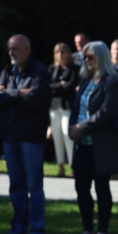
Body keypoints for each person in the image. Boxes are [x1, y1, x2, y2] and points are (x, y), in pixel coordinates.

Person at [68, 41, 118, 234]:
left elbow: (106, 112)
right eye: (85, 57)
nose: (87, 61)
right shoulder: (86, 80)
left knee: (101, 187)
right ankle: (87, 229)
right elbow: (76, 107)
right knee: (81, 187)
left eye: (91, 57)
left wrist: (81, 127)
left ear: (101, 58)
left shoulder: (111, 81)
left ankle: (102, 232)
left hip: (101, 145)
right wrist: (72, 126)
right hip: (82, 144)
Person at [0, 34, 50, 234]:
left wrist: (8, 93)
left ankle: (36, 229)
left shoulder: (40, 71)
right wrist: (18, 93)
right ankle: (17, 227)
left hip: (31, 137)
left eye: (15, 49)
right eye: (9, 49)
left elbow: (35, 98)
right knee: (16, 184)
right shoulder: (7, 71)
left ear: (27, 49)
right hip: (10, 136)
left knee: (34, 186)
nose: (11, 53)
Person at [49, 42, 79, 177]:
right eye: (58, 52)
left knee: (68, 135)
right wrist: (60, 85)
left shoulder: (74, 69)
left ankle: (73, 167)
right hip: (54, 107)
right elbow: (47, 86)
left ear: (68, 53)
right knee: (57, 137)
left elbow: (71, 85)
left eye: (63, 51)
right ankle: (61, 167)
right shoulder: (52, 69)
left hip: (67, 106)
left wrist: (57, 87)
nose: (60, 54)